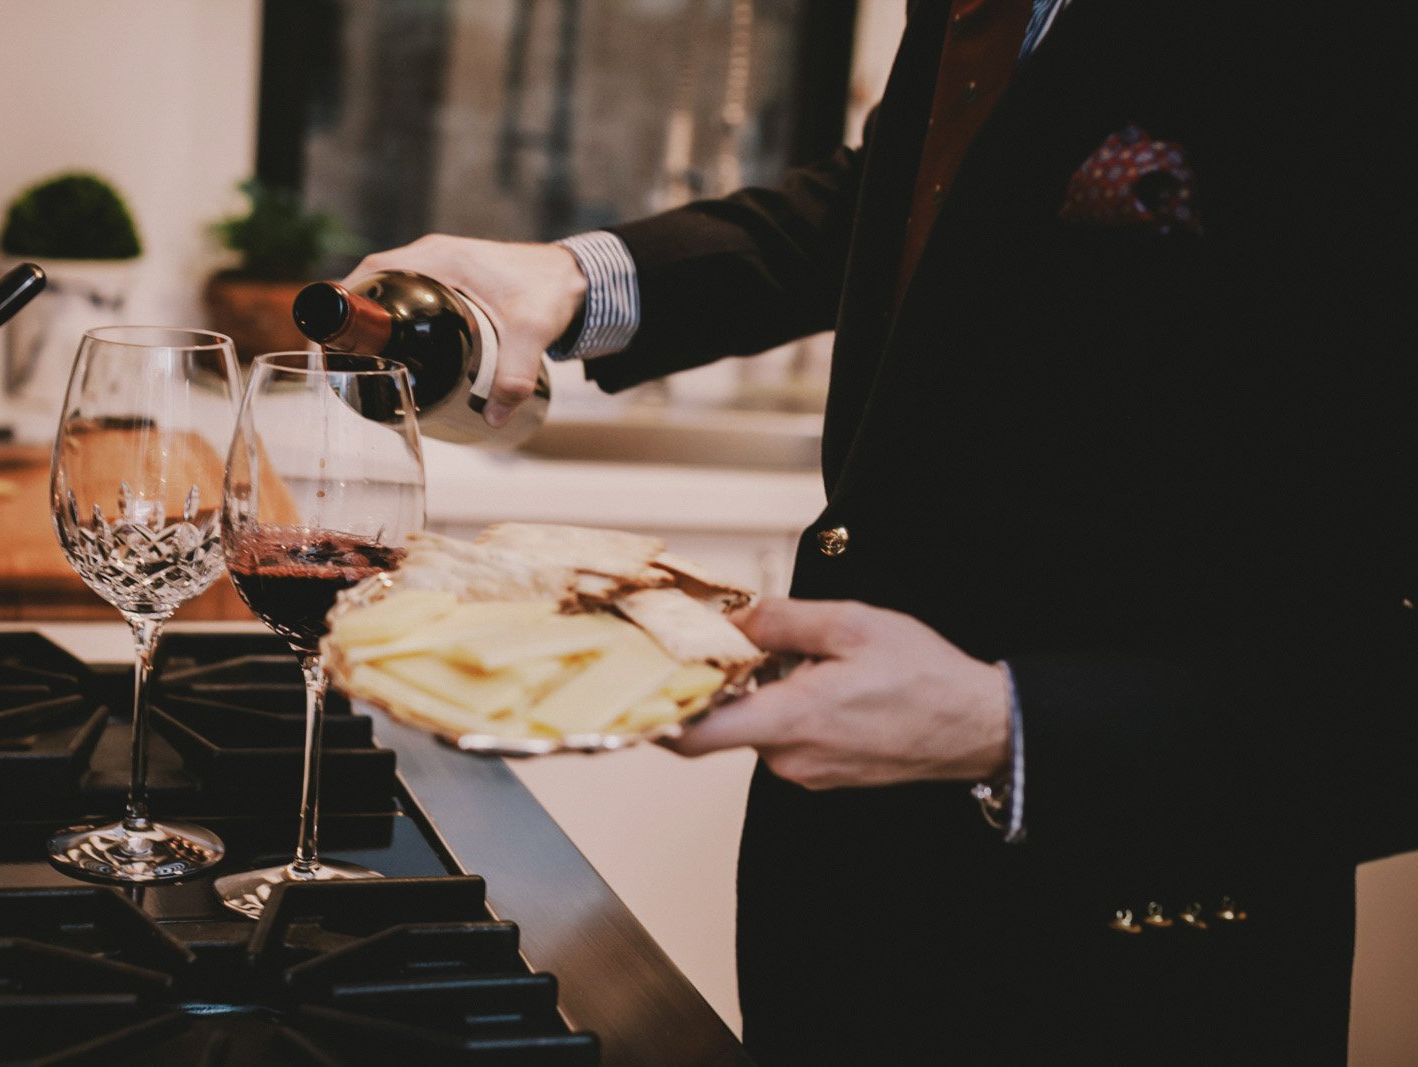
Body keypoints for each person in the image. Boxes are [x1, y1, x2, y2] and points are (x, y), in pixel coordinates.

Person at [343, 2, 1418, 1061]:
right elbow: (908, 200)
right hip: (843, 894)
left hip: (1140, 956)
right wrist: (581, 277)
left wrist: (1009, 723)